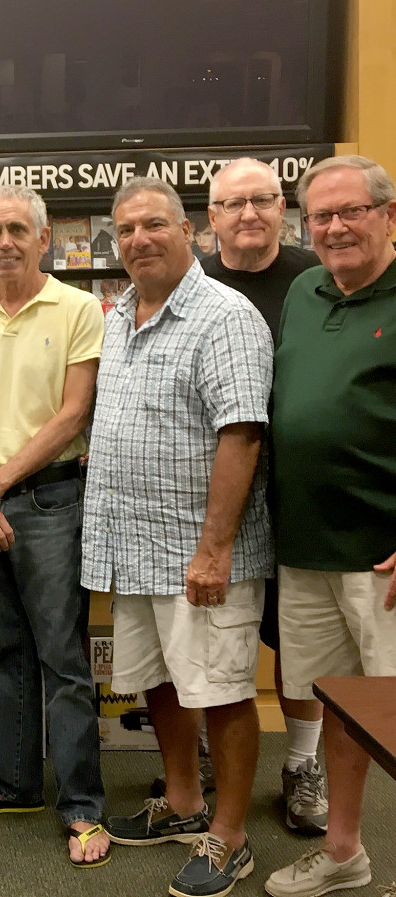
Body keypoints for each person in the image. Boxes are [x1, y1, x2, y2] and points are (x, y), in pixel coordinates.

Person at [83, 177, 273, 897]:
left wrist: (215, 547)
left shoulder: (225, 315)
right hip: (135, 548)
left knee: (221, 688)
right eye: (125, 229)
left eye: (154, 225)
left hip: (201, 552)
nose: (139, 239)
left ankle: (229, 835)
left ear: (189, 229)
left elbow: (242, 433)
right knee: (160, 680)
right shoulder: (118, 313)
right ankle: (184, 802)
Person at [0, 185, 109, 869]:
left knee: (63, 660)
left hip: (48, 501)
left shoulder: (78, 308)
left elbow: (73, 413)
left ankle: (82, 808)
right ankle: (13, 783)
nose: (4, 241)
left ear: (43, 238)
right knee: (4, 650)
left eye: (18, 229)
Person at [265, 154, 396, 897]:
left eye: (352, 211)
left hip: (382, 554)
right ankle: (344, 852)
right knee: (342, 706)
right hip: (308, 547)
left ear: (388, 214)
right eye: (322, 216)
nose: (337, 226)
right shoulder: (308, 290)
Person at [204, 157, 325, 835]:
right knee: (212, 634)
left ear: (284, 208)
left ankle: (302, 767)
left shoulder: (318, 276)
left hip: (303, 492)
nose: (249, 213)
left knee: (301, 642)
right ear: (210, 216)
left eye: (263, 199)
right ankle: (206, 758)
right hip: (215, 493)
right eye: (233, 202)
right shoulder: (191, 282)